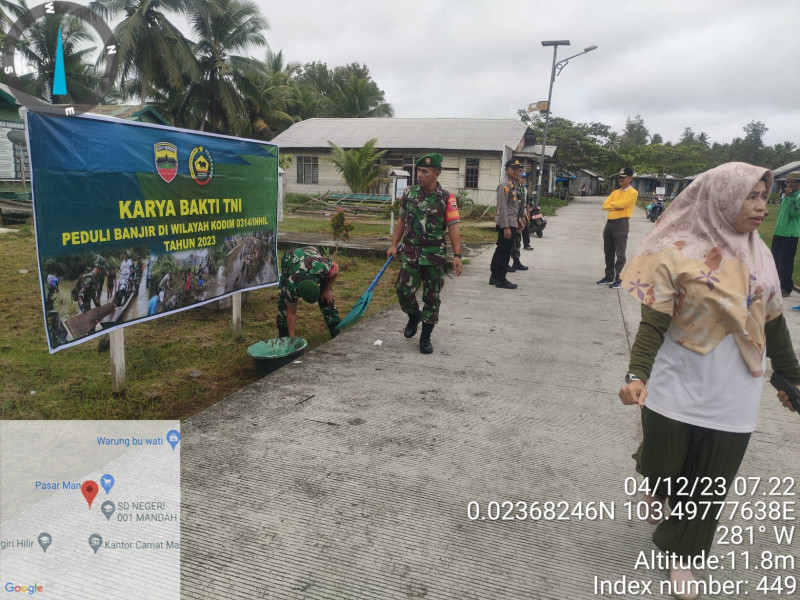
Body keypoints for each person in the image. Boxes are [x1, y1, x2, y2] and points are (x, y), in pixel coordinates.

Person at [617, 163, 799, 600]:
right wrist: (637, 373)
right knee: (664, 463)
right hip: (675, 380)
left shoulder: (762, 256)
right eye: (750, 196)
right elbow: (651, 324)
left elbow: (772, 322)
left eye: (764, 196)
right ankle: (657, 482)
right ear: (721, 199)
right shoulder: (676, 250)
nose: (761, 206)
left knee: (710, 478)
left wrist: (790, 377)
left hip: (736, 387)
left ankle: (684, 555)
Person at [387, 153, 462, 354]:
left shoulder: (447, 198)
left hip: (434, 257)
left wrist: (457, 256)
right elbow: (402, 221)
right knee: (403, 290)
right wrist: (394, 245)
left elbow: (454, 228)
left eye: (424, 171)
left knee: (432, 298)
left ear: (436, 173)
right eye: (418, 171)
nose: (419, 175)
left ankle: (425, 338)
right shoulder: (409, 195)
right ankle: (413, 315)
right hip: (410, 253)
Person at [276, 246, 341, 339]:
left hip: (311, 252)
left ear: (318, 284)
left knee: (327, 299)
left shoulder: (323, 267)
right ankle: (285, 337)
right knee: (284, 307)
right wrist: (292, 339)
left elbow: (336, 269)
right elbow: (291, 313)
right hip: (290, 258)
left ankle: (335, 331)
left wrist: (326, 290)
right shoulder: (291, 286)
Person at [598, 167, 638, 289]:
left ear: (630, 178)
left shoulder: (633, 193)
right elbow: (604, 206)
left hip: (621, 223)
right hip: (609, 223)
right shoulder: (615, 192)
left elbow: (623, 204)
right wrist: (615, 206)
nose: (620, 179)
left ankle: (619, 278)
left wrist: (613, 205)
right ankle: (609, 276)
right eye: (619, 177)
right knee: (608, 251)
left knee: (620, 252)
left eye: (623, 177)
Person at [490, 158, 526, 289]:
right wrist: (506, 227)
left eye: (518, 169)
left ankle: (494, 276)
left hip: (512, 222)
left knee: (501, 250)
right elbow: (503, 207)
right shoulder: (504, 185)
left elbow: (512, 206)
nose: (517, 172)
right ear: (506, 170)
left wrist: (518, 220)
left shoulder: (512, 184)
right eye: (513, 169)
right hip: (507, 224)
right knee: (504, 252)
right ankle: (501, 279)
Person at [771, 171, 800, 297]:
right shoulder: (786, 195)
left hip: (790, 234)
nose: (787, 184)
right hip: (779, 232)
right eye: (787, 181)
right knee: (775, 259)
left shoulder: (797, 196)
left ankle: (786, 287)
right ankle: (776, 284)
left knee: (785, 261)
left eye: (790, 182)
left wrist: (788, 198)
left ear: (798, 184)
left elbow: (794, 213)